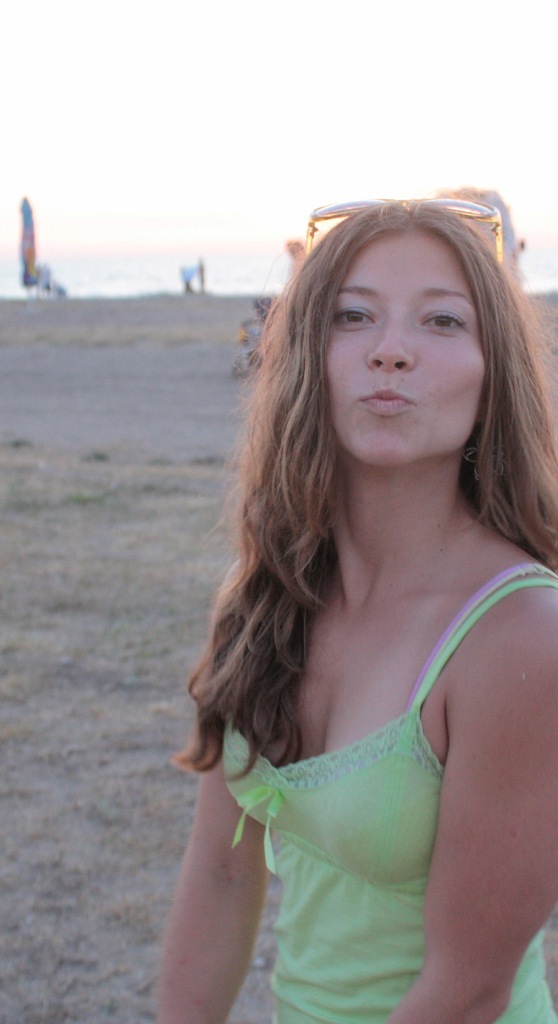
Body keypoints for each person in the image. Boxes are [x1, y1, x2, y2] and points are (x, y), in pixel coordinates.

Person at [158, 199, 558, 1024]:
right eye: (353, 316)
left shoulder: (521, 637)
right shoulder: (265, 597)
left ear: (493, 376)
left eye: (442, 320)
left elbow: (467, 990)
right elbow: (222, 871)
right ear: (308, 356)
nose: (391, 350)